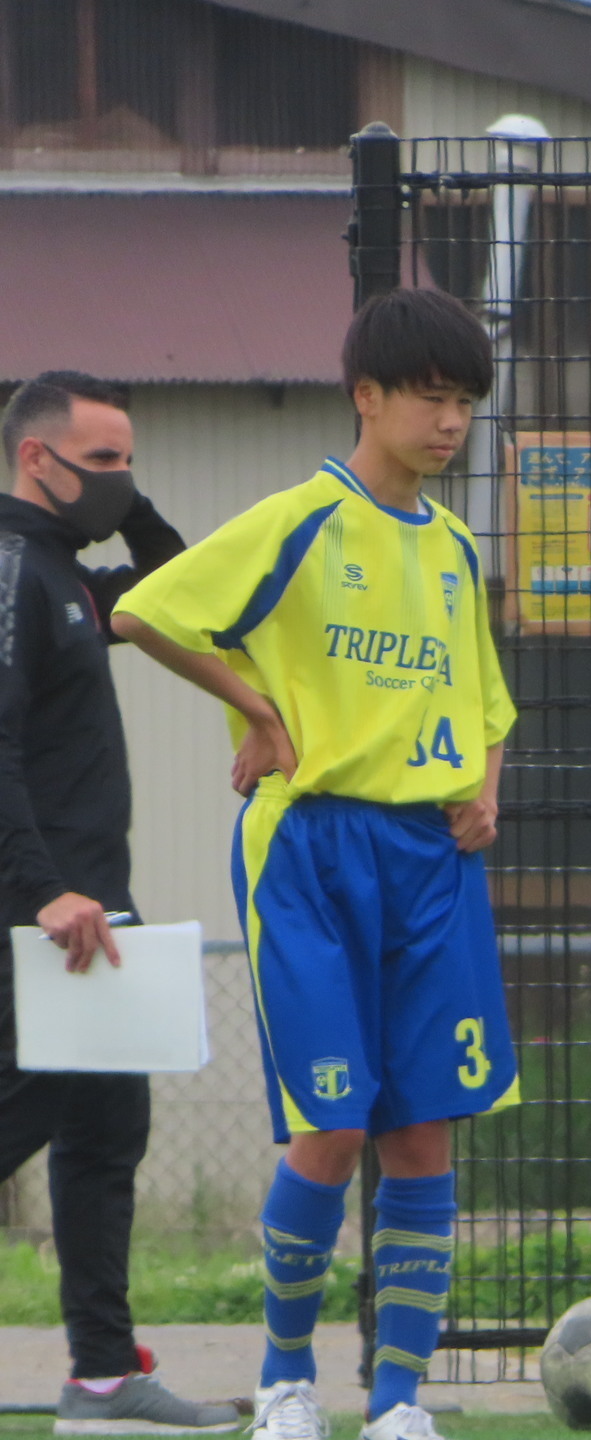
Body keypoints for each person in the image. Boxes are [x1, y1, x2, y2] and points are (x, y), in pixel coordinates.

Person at [112, 289, 520, 1440]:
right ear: (369, 396)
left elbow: (485, 699)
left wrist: (486, 789)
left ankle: (396, 1401)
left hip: (431, 855)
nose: (450, 423)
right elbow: (148, 613)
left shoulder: (453, 544)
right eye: (431, 399)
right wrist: (257, 709)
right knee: (330, 1128)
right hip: (310, 845)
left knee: (423, 1130)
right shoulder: (302, 518)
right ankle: (287, 1380)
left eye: (465, 405)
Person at [0, 372, 241, 1434]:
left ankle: (102, 1379)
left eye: (129, 460)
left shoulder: (68, 574)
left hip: (102, 910)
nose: (120, 480)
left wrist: (126, 500)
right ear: (32, 459)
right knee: (27, 1115)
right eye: (101, 461)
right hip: (41, 911)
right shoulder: (12, 571)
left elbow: (179, 585)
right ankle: (99, 1374)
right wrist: (42, 888)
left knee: (109, 1131)